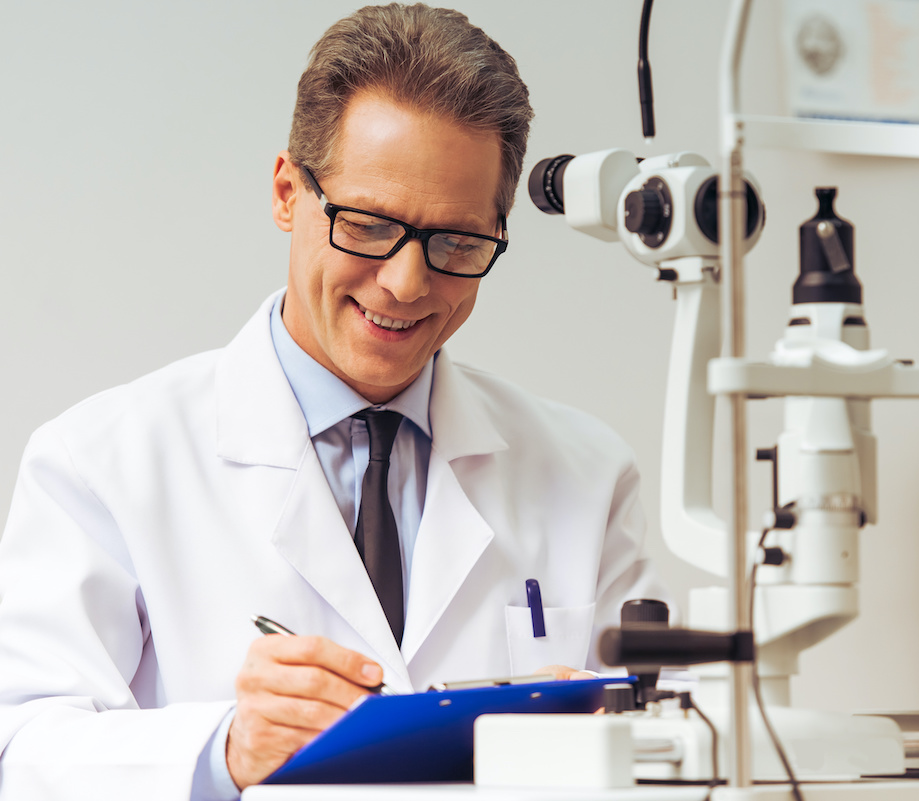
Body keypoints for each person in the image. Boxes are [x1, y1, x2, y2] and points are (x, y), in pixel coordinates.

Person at [0, 4, 663, 799]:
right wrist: (225, 748)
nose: (407, 283)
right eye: (368, 225)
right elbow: (25, 750)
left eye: (456, 242)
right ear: (288, 192)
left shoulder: (587, 472)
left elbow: (660, 738)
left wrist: (612, 740)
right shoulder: (101, 461)